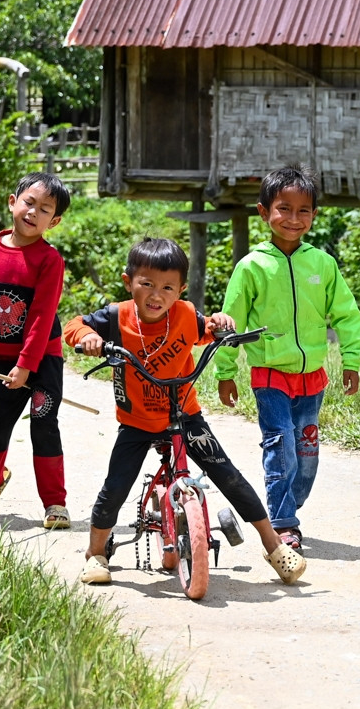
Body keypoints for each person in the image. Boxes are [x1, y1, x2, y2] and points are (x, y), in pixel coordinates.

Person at [66, 237, 307, 586]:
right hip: (138, 421)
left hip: (185, 415)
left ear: (180, 290)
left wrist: (221, 322)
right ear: (128, 281)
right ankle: (96, 553)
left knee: (229, 477)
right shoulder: (117, 317)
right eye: (146, 284)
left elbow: (210, 327)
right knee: (116, 486)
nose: (156, 295)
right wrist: (88, 338)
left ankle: (273, 546)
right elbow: (74, 325)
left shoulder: (184, 315)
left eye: (167, 287)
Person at [213, 165, 360, 551]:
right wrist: (226, 372)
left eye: (304, 211)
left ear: (314, 215)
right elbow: (231, 323)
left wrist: (351, 361)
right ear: (264, 212)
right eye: (284, 209)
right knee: (280, 447)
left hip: (312, 375)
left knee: (306, 454)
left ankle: (287, 508)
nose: (293, 219)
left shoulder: (323, 264)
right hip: (269, 374)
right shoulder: (251, 267)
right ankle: (283, 523)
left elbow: (347, 314)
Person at [0, 171, 74, 527]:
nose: (34, 212)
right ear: (13, 202)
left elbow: (42, 316)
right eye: (29, 202)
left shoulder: (50, 260)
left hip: (43, 358)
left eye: (45, 209)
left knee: (44, 425)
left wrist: (27, 364)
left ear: (54, 221)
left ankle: (55, 504)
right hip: (2, 357)